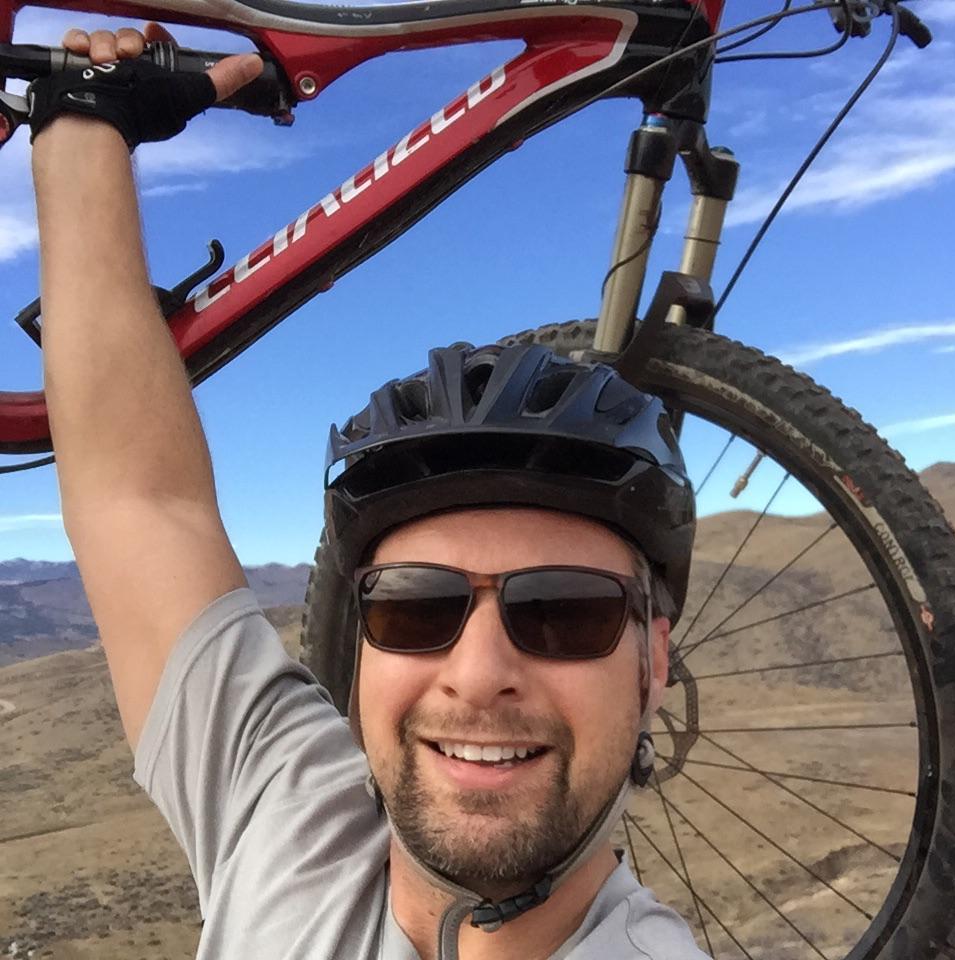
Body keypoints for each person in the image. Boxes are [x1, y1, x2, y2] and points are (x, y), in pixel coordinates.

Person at [31, 23, 708, 960]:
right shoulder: (285, 806)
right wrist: (82, 116)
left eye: (563, 613)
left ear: (653, 660)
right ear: (359, 644)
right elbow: (138, 501)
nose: (477, 674)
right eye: (415, 609)